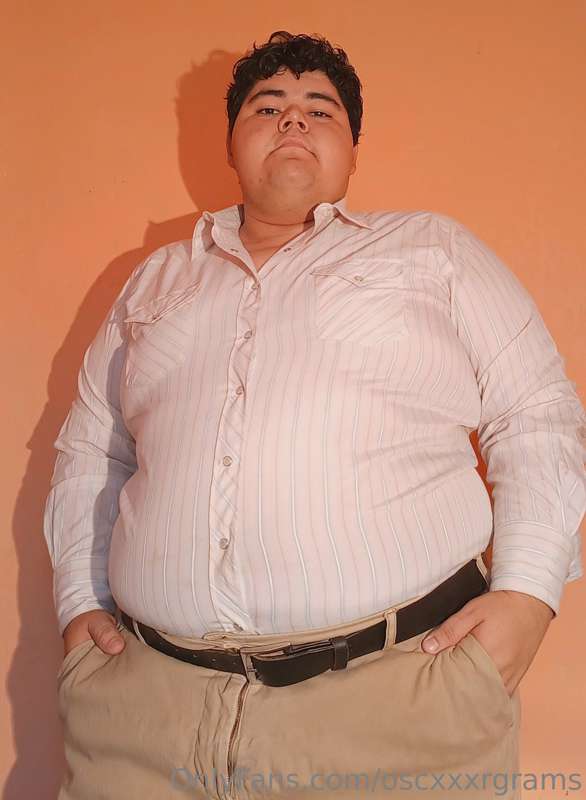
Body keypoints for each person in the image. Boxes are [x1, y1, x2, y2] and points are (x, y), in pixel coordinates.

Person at [43, 30, 585, 800]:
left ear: (352, 151)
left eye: (320, 110)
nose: (293, 119)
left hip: (395, 710)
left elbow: (536, 412)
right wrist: (78, 605)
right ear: (232, 144)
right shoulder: (154, 280)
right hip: (143, 716)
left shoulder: (433, 251)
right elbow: (91, 453)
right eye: (268, 107)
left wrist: (529, 594)